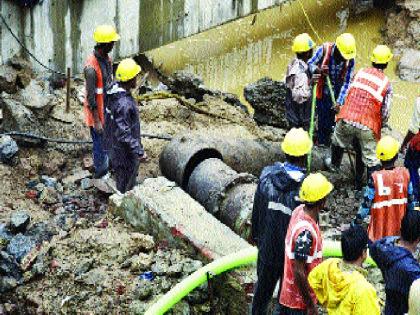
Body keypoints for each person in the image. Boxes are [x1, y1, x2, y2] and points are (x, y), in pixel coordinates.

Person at [251, 128, 312, 314]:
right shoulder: (306, 188)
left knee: (261, 294)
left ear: (285, 152)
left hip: (267, 248)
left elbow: (257, 212)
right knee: (286, 301)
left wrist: (256, 237)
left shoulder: (267, 177)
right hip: (290, 256)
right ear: (305, 155)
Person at [326, 45, 394, 189]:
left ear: (372, 61)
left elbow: (348, 92)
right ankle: (370, 187)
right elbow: (385, 113)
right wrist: (378, 124)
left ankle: (334, 166)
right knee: (371, 158)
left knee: (338, 141)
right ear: (387, 63)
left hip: (347, 117)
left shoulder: (360, 72)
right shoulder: (386, 83)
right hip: (367, 124)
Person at [279, 173, 333, 315]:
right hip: (298, 302)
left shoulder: (299, 210)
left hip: (289, 293)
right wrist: (310, 305)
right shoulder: (305, 233)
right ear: (322, 201)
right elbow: (298, 270)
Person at [352, 136, 416, 241]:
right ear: (396, 157)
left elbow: (365, 207)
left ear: (380, 159)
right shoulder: (405, 174)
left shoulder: (375, 178)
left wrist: (354, 225)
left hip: (377, 236)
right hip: (399, 236)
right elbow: (411, 204)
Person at [308, 225, 380, 315]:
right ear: (364, 253)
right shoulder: (364, 289)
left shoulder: (329, 265)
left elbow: (311, 281)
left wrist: (326, 302)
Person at [105, 58, 147, 193]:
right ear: (130, 80)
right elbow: (124, 133)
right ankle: (123, 200)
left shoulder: (112, 91)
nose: (137, 79)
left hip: (114, 145)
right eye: (135, 77)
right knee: (126, 181)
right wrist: (139, 151)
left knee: (120, 175)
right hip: (124, 151)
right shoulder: (124, 104)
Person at [83, 25, 120, 178]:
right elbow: (91, 98)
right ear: (104, 44)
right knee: (99, 143)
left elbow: (109, 84)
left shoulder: (107, 59)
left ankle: (109, 165)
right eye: (112, 43)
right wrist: (97, 121)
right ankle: (100, 173)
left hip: (107, 108)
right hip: (96, 112)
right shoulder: (91, 68)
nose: (113, 45)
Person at [308, 33, 356, 146]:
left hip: (338, 89)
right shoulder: (324, 50)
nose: (344, 59)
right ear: (337, 48)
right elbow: (309, 64)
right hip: (322, 88)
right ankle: (320, 141)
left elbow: (347, 82)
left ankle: (327, 138)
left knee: (331, 118)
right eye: (342, 56)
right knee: (322, 115)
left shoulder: (350, 59)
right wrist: (318, 70)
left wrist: (339, 102)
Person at [370, 211, 420, 315]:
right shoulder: (412, 271)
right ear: (418, 239)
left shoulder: (381, 248)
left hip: (390, 307)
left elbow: (375, 245)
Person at [285, 33, 319, 130]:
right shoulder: (302, 74)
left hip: (292, 112)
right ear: (308, 53)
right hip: (300, 118)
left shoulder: (294, 63)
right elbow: (298, 96)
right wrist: (311, 82)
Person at [401, 96, 420, 202]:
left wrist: (404, 144)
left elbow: (413, 129)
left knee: (410, 168)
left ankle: (414, 200)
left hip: (417, 146)